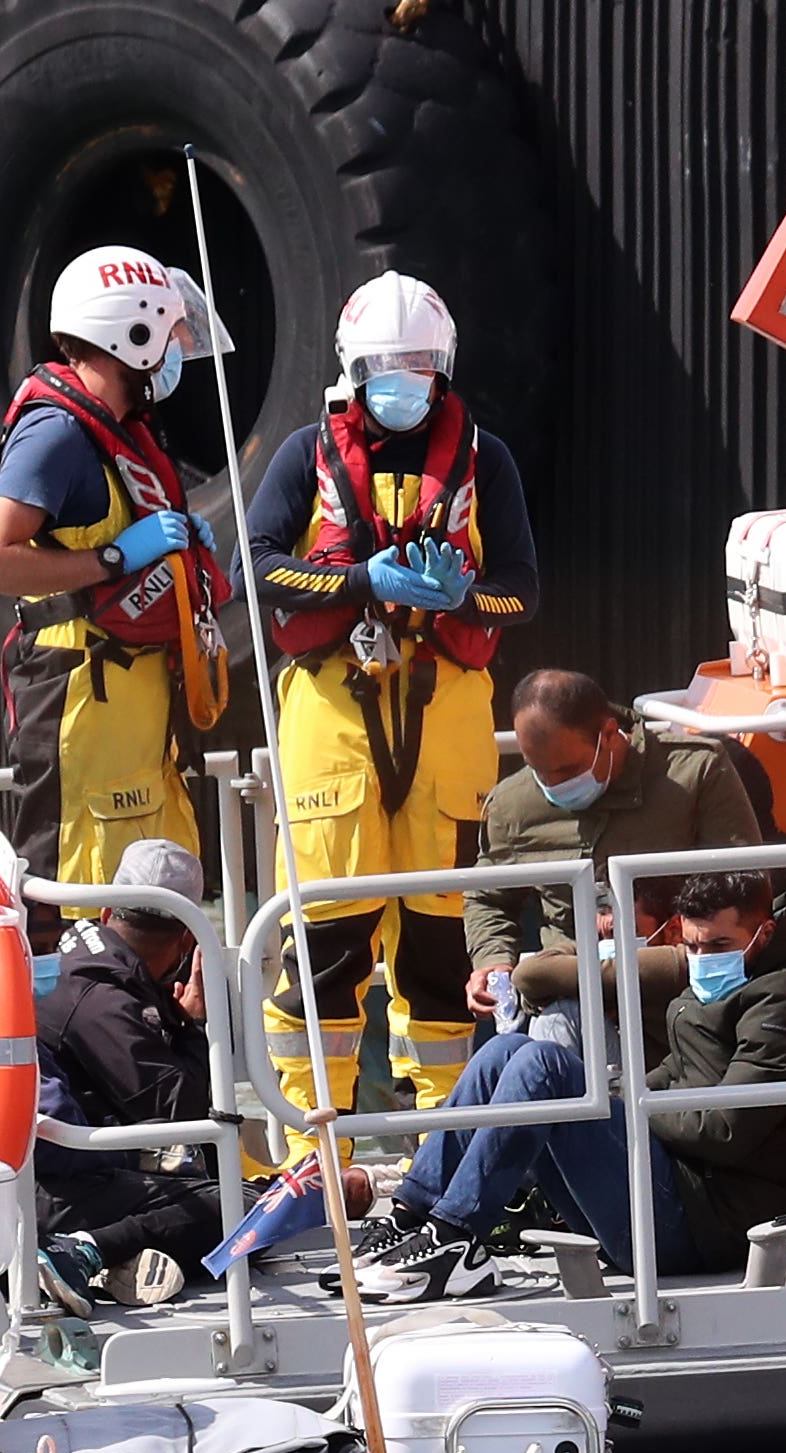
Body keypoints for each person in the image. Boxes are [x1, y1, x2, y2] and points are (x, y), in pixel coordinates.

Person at [243, 272, 539, 1130]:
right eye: (386, 364)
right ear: (353, 368)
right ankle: (312, 1141)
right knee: (325, 946)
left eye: (419, 364)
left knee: (447, 947)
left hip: (447, 717)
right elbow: (253, 568)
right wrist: (358, 578)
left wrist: (463, 599)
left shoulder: (489, 461)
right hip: (331, 716)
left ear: (442, 368)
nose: (402, 379)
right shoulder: (305, 454)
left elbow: (522, 590)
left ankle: (449, 1143)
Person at [354, 868, 786, 1301]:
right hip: (672, 1193)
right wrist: (622, 1097)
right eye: (690, 946)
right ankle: (413, 1215)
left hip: (702, 1228)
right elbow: (677, 1072)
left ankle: (454, 1238)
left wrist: (627, 1104)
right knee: (505, 1053)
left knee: (545, 1066)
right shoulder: (729, 981)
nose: (701, 959)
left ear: (764, 933)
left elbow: (727, 1130)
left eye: (717, 947)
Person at [0, 248, 232, 920]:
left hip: (135, 712)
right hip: (79, 697)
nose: (175, 355)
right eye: (169, 338)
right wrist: (112, 561)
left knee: (155, 892)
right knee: (77, 892)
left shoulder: (122, 434)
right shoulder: (58, 436)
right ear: (132, 335)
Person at [468, 670, 765, 1016]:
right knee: (528, 1055)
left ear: (609, 734)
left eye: (566, 771)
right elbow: (488, 898)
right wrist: (492, 961)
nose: (552, 784)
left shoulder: (695, 772)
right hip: (567, 993)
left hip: (681, 988)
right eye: (538, 770)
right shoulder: (512, 804)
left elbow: (743, 885)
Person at [31, 840, 218, 1310]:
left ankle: (112, 1253)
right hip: (55, 1191)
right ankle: (84, 1252)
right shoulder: (101, 998)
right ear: (187, 938)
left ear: (107, 909)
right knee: (246, 1210)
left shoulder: (82, 963)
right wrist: (195, 1025)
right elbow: (181, 1111)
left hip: (48, 1177)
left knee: (238, 1196)